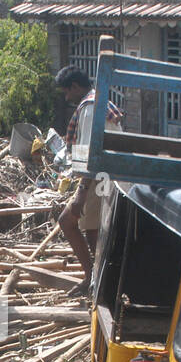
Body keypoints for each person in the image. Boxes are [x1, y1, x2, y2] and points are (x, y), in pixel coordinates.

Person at [55, 65, 124, 292]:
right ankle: (94, 277)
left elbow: (88, 153)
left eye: (67, 92)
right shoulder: (99, 100)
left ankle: (97, 280)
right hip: (107, 174)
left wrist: (81, 193)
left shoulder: (90, 108)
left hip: (99, 175)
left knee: (87, 228)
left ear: (75, 87)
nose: (67, 97)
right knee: (91, 228)